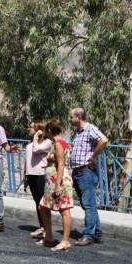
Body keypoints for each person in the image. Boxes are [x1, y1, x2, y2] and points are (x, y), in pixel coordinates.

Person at [69, 107, 109, 246]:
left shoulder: (90, 129)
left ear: (79, 117)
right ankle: (97, 234)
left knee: (89, 205)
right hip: (78, 172)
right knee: (89, 205)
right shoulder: (78, 133)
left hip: (86, 172)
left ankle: (88, 235)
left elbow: (103, 140)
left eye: (71, 117)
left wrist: (93, 157)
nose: (70, 119)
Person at [37, 119, 75, 252]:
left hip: (58, 181)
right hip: (53, 181)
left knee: (64, 210)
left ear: (49, 131)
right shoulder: (62, 143)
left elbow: (61, 164)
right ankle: (49, 236)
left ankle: (65, 241)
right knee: (43, 207)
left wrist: (58, 184)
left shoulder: (59, 144)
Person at [23, 119, 52, 239]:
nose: (29, 129)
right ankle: (42, 227)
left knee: (42, 203)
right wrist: (25, 176)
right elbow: (27, 160)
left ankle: (47, 229)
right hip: (31, 174)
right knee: (37, 202)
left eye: (31, 127)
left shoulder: (47, 142)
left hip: (41, 174)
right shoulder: (30, 144)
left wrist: (36, 137)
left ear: (38, 130)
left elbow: (36, 150)